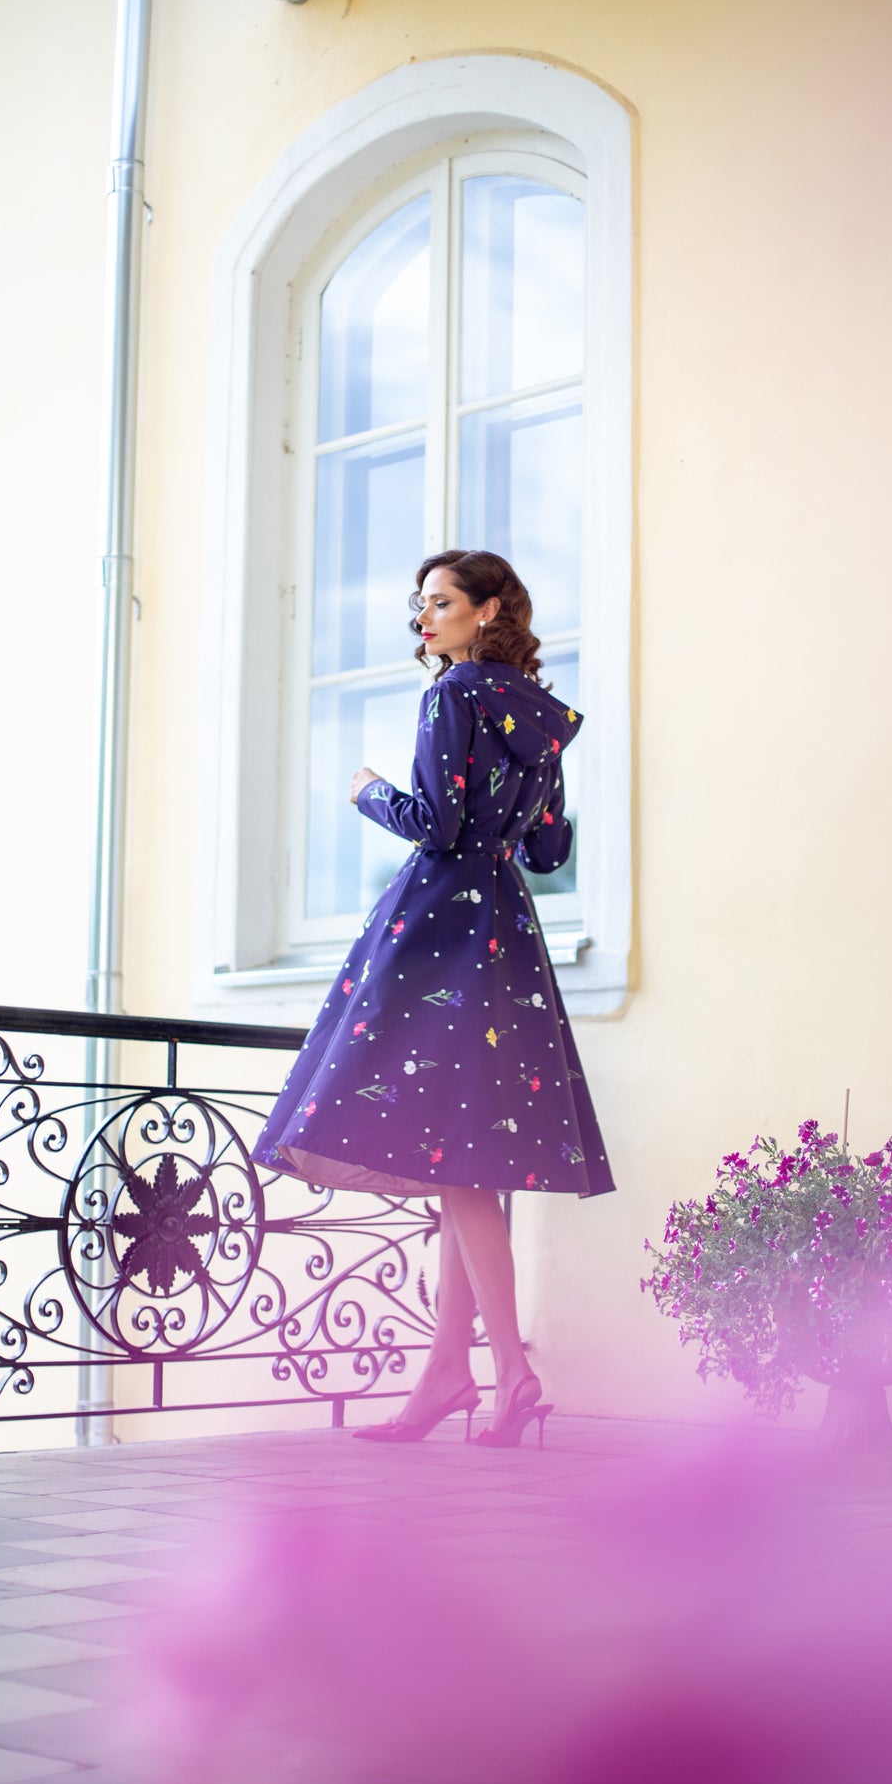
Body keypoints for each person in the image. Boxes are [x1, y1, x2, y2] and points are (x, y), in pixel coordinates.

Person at [251, 548, 614, 1447]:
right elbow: (546, 850)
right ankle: (449, 1374)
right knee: (463, 1158)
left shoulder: (452, 693)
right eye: (418, 604)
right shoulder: (538, 715)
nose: (423, 617)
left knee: (456, 1159)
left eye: (440, 602)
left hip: (440, 927)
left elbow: (437, 825)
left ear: (487, 611)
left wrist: (370, 793)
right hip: (506, 931)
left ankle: (512, 1374)